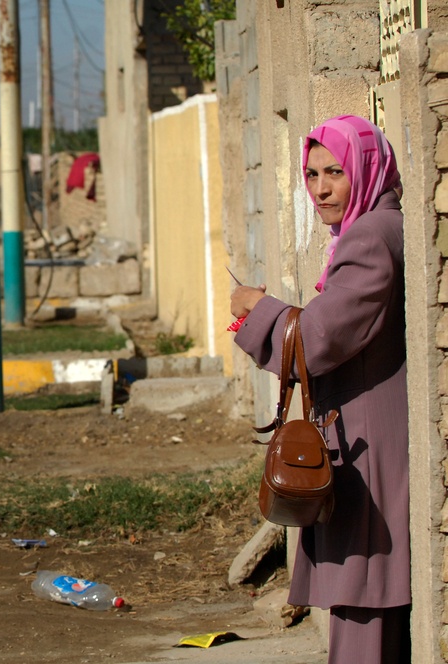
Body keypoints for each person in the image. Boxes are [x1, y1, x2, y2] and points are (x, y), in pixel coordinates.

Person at [230, 115, 409, 663]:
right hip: (368, 435)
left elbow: (316, 338)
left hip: (372, 449)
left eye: (336, 171)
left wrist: (253, 312)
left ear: (367, 169)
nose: (321, 188)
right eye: (311, 174)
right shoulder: (374, 230)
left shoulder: (370, 238)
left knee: (363, 601)